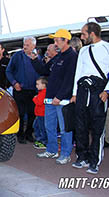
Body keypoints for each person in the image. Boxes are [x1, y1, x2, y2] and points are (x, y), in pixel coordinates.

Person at [70, 22, 109, 174]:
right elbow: (78, 73)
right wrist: (74, 93)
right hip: (82, 91)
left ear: (92, 34)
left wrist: (107, 91)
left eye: (84, 34)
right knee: (80, 126)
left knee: (98, 128)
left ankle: (94, 161)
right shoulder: (83, 51)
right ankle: (82, 157)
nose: (81, 37)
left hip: (99, 91)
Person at [35, 29, 77, 165]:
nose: (55, 43)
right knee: (49, 126)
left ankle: (65, 154)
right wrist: (34, 59)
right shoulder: (58, 56)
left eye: (57, 40)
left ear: (65, 40)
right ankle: (52, 150)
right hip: (50, 98)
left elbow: (69, 79)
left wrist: (59, 97)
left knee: (65, 128)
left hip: (62, 100)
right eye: (54, 40)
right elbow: (44, 70)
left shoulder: (72, 56)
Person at [6, 37, 40, 144]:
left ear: (34, 46)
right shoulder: (17, 56)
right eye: (24, 44)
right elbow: (8, 71)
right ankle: (20, 134)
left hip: (34, 91)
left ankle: (29, 134)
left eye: (28, 45)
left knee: (32, 113)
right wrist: (14, 82)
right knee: (20, 113)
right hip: (20, 90)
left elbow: (42, 70)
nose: (25, 46)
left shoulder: (38, 57)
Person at [33, 76, 48, 150]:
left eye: (38, 84)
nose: (36, 86)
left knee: (41, 128)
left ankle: (43, 141)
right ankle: (40, 139)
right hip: (39, 113)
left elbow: (39, 102)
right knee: (36, 126)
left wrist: (34, 98)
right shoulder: (41, 92)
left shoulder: (43, 92)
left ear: (44, 85)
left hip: (41, 114)